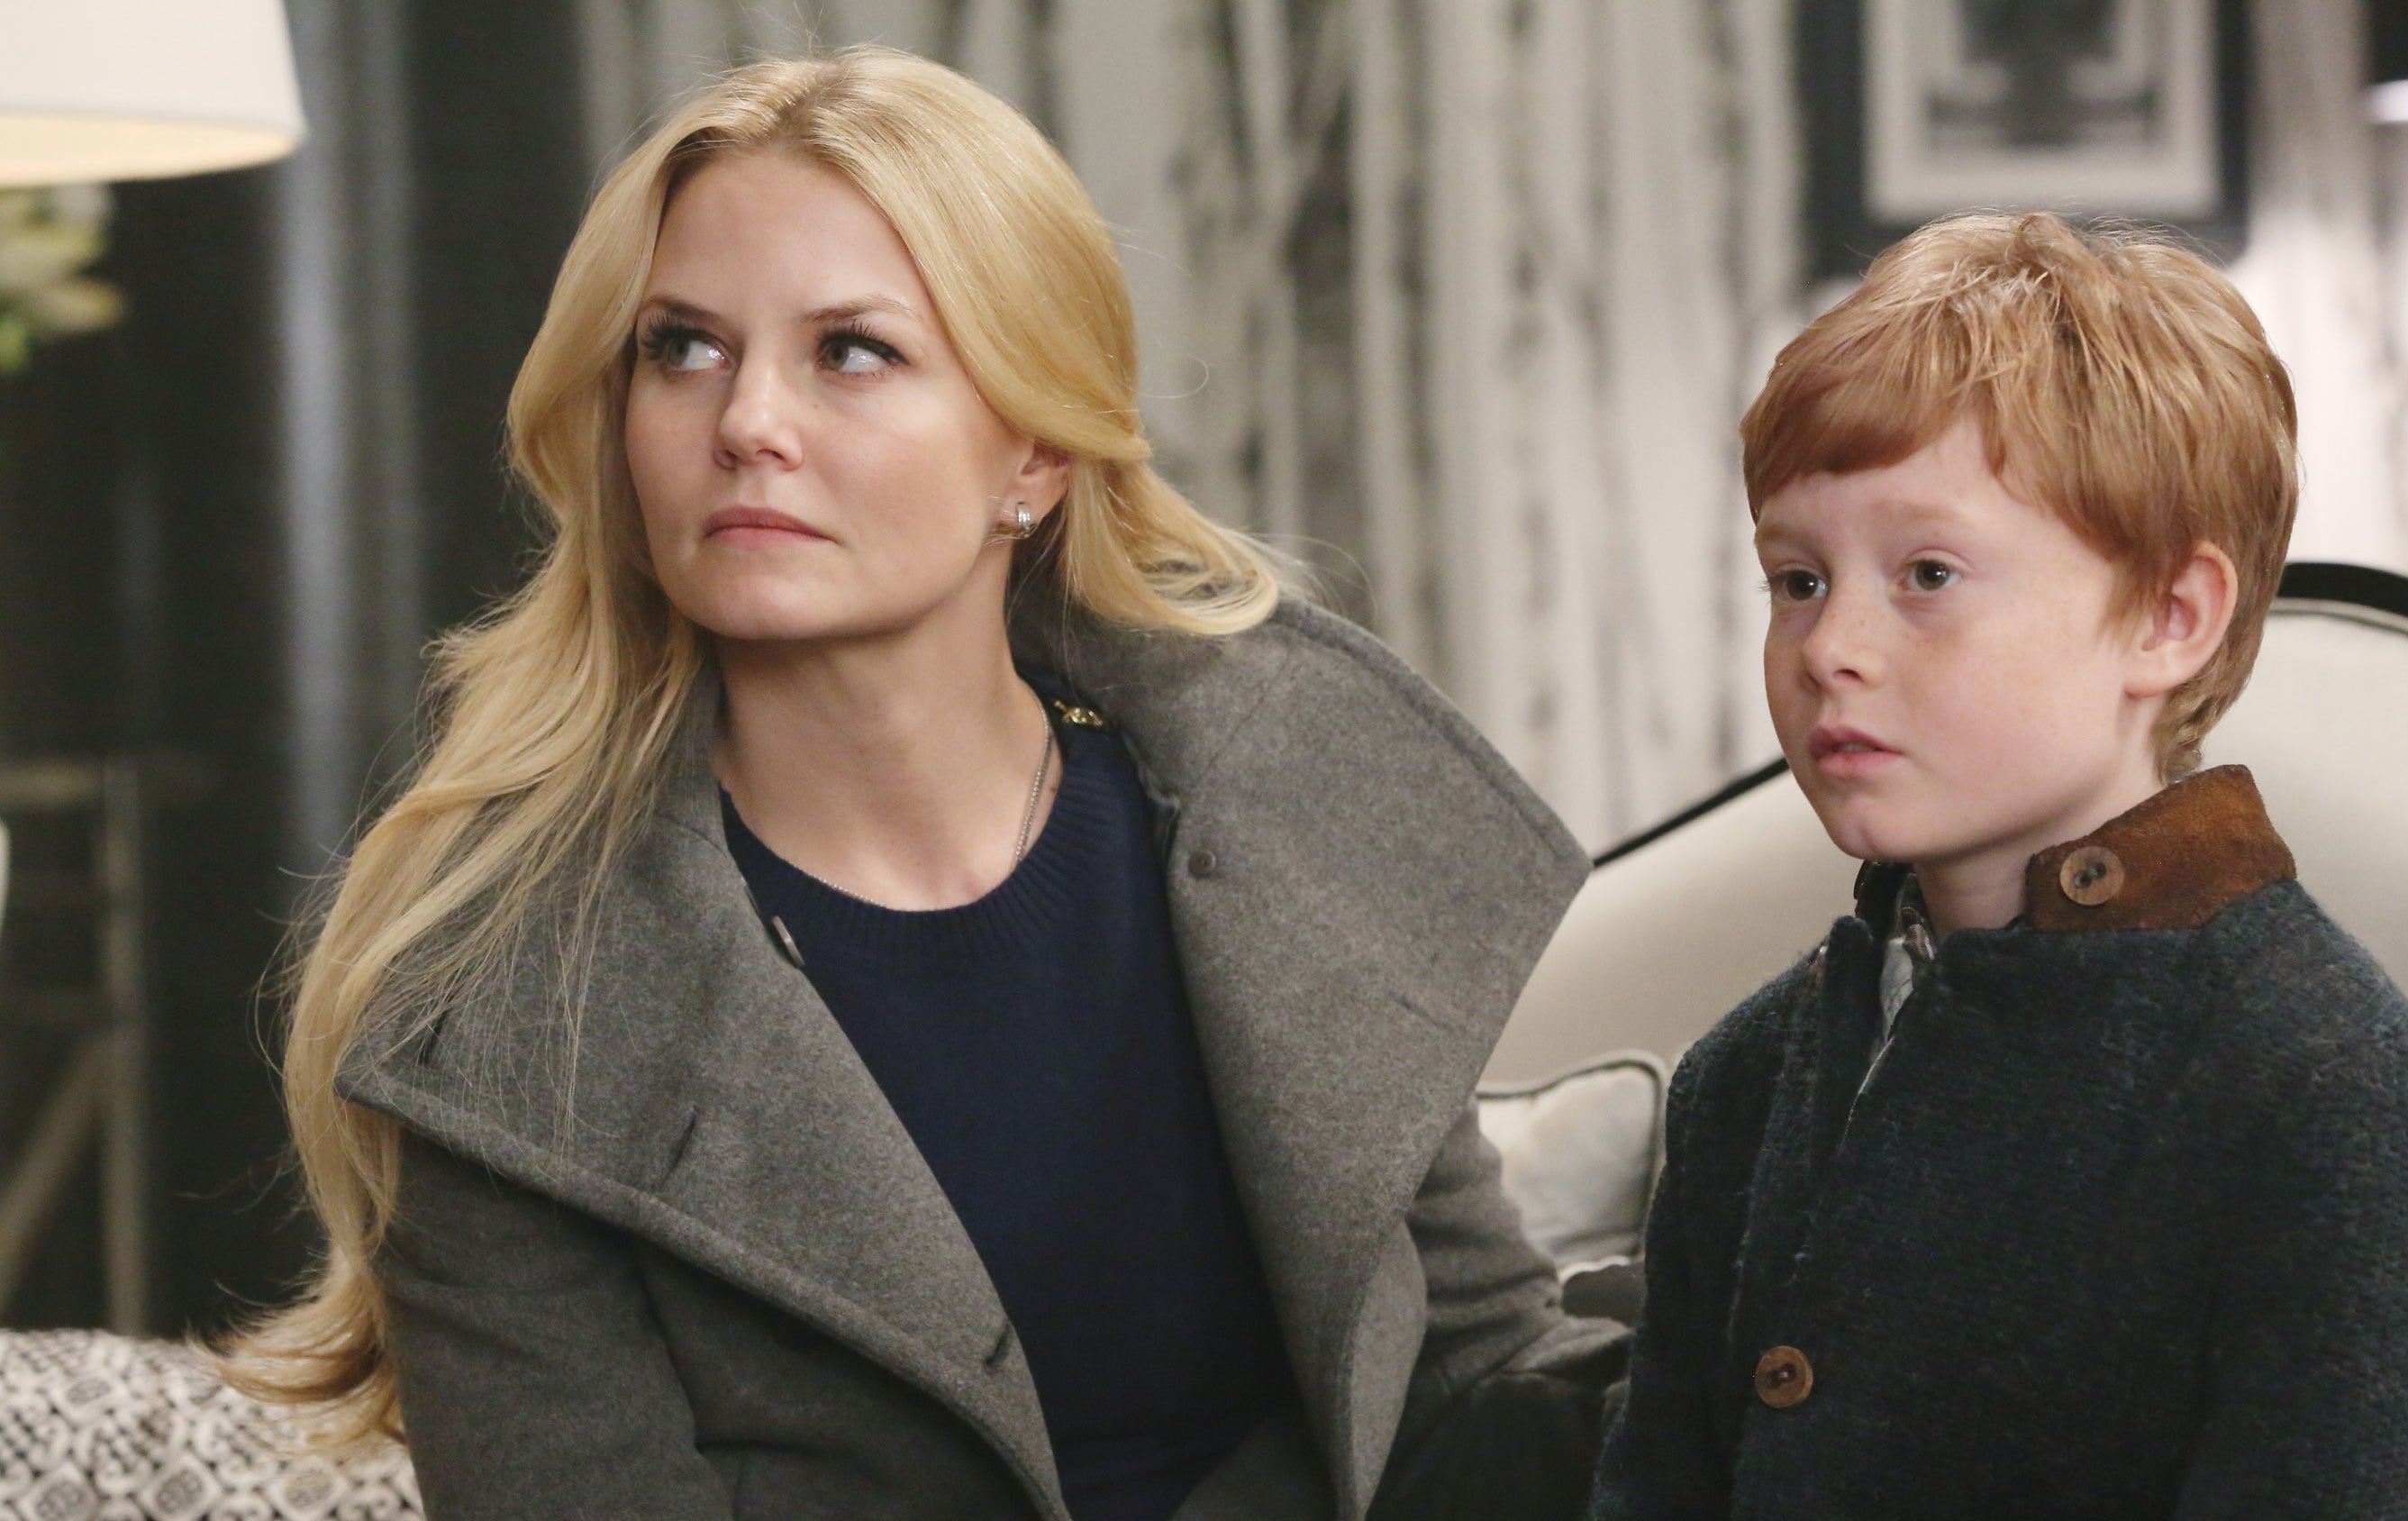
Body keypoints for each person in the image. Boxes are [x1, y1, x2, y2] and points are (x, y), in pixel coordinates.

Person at [225, 47, 1622, 1521]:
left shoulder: (1278, 819)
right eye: (682, 348)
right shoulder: (505, 1006)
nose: (745, 422)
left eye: (850, 351)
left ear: (1034, 452)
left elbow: (1478, 1391)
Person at [1591, 214, 2408, 1519]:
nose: (1829, 648)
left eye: (1928, 572)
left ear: (2168, 617)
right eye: (1798, 581)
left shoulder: (2333, 1104)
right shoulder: (1746, 1079)